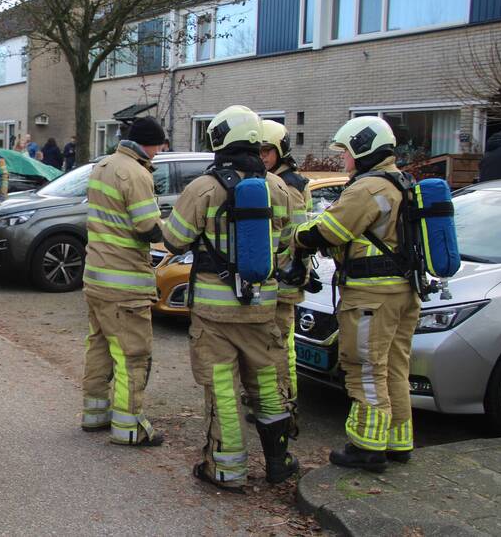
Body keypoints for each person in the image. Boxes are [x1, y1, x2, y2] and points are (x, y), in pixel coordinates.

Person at [161, 105, 298, 492]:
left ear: (219, 139)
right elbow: (288, 248)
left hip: (213, 313)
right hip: (262, 309)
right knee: (267, 387)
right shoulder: (279, 188)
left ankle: (227, 469)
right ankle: (279, 463)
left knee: (223, 388)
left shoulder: (204, 188)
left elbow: (173, 240)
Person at [294, 116, 422, 472]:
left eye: (346, 152)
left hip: (371, 297)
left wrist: (298, 237)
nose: (344, 160)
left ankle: (367, 447)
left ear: (363, 149)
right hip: (403, 293)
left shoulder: (367, 189)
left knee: (364, 367)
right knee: (394, 367)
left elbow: (329, 230)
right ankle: (398, 441)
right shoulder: (403, 182)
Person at [81, 116, 167, 447]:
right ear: (150, 143)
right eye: (159, 146)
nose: (159, 153)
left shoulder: (102, 165)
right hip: (125, 284)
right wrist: (175, 231)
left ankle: (95, 414)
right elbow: (148, 227)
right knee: (132, 353)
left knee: (100, 346)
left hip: (96, 277)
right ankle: (130, 428)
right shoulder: (136, 173)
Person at [259, 119, 313, 428]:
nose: (263, 157)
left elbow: (291, 236)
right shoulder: (281, 180)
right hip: (283, 274)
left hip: (283, 276)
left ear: (281, 151)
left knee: (280, 343)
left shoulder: (287, 185)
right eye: (259, 151)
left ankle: (284, 402)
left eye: (267, 151)